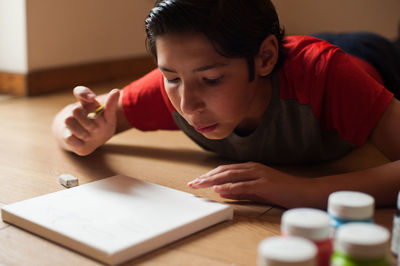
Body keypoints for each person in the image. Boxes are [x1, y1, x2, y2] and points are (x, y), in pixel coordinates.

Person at [52, 0, 400, 209]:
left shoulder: (326, 76)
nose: (187, 104)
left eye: (212, 79)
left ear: (265, 58)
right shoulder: (170, 87)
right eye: (171, 77)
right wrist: (81, 131)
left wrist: (302, 190)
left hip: (370, 56)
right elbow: (75, 115)